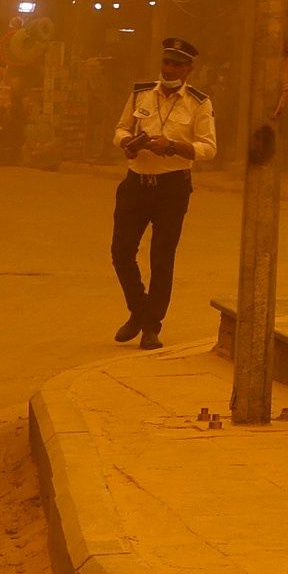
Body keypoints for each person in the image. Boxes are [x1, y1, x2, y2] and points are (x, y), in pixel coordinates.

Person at [109, 38, 218, 350]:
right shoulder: (141, 92)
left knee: (161, 258)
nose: (170, 68)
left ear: (188, 70)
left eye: (177, 64)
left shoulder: (199, 103)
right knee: (121, 252)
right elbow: (119, 128)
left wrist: (172, 147)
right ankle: (139, 311)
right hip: (136, 182)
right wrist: (127, 142)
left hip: (172, 186)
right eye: (166, 62)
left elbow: (209, 148)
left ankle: (152, 326)